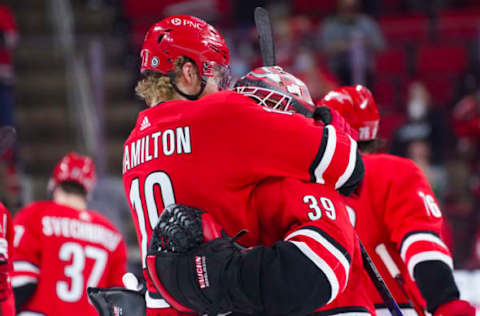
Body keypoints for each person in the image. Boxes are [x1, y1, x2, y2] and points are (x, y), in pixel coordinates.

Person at [123, 15, 364, 315]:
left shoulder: (133, 143)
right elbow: (346, 164)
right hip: (223, 304)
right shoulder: (220, 115)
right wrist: (322, 123)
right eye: (215, 77)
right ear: (188, 72)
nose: (222, 89)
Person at [318, 85, 475, 316]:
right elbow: (421, 244)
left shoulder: (298, 180)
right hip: (390, 307)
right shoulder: (394, 171)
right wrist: (445, 302)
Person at [12, 153, 128, 315]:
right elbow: (117, 302)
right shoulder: (113, 235)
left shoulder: (34, 215)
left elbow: (21, 281)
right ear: (88, 191)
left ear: (54, 185)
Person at [318, 0, 384, 86]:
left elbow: (380, 46)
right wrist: (345, 46)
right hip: (339, 72)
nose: (349, 10)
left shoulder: (367, 23)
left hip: (365, 72)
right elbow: (323, 50)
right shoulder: (330, 25)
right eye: (346, 7)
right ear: (339, 6)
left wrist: (365, 43)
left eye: (352, 7)